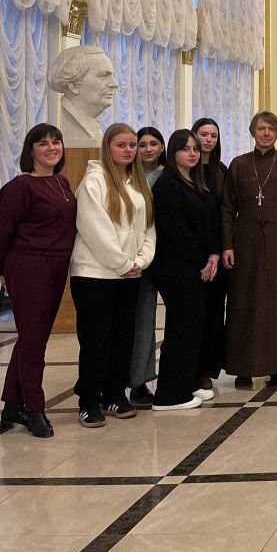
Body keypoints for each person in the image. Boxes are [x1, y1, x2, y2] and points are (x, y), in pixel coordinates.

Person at [0, 124, 77, 439]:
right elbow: (1, 231)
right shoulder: (21, 186)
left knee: (33, 337)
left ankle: (12, 405)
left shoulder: (61, 182)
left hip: (56, 266)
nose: (51, 147)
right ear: (31, 150)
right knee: (33, 341)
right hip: (28, 266)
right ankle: (33, 408)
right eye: (43, 143)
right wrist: (0, 270)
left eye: (56, 142)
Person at [71, 123, 156, 428]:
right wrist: (122, 263)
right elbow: (94, 228)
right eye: (122, 145)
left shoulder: (138, 184)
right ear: (108, 147)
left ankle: (114, 394)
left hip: (130, 274)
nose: (129, 150)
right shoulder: (94, 181)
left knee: (123, 339)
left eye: (132, 145)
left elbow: (148, 228)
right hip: (95, 275)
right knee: (96, 340)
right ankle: (89, 400)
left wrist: (140, 261)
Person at [221, 111, 277, 387]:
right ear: (253, 132)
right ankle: (243, 367)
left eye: (271, 128)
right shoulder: (239, 164)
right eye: (261, 128)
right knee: (245, 303)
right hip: (245, 243)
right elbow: (227, 209)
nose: (266, 133)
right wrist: (227, 245)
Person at [149, 130, 220, 410]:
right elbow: (177, 232)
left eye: (195, 149)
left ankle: (187, 384)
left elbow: (209, 223)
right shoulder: (167, 185)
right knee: (181, 330)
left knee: (193, 329)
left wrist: (212, 254)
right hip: (177, 269)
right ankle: (169, 395)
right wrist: (201, 262)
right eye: (185, 149)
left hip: (196, 266)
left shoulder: (195, 181)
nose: (192, 154)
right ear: (173, 153)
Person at [129, 127, 166, 408]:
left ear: (163, 147)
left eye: (154, 144)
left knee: (149, 320)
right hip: (133, 256)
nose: (148, 149)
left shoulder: (170, 175)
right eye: (142, 145)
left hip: (166, 255)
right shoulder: (125, 176)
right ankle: (134, 382)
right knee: (138, 321)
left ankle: (149, 379)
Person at [192, 118, 228, 391]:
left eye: (213, 136)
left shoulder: (221, 170)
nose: (208, 140)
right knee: (195, 314)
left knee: (215, 312)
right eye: (203, 134)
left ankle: (207, 369)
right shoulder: (186, 170)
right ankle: (191, 368)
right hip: (194, 252)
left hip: (219, 249)